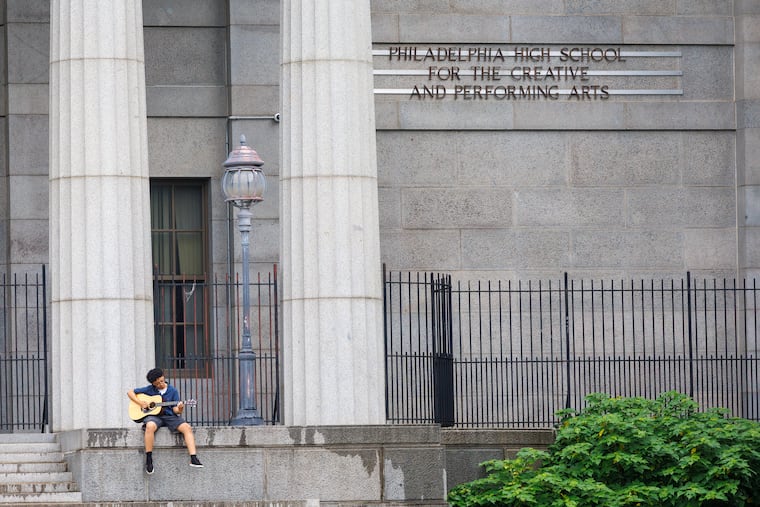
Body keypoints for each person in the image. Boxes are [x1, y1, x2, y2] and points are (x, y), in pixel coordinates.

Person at [127, 368, 203, 474]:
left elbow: (176, 410)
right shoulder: (150, 389)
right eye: (157, 384)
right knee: (149, 426)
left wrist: (180, 408)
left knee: (187, 427)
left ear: (163, 377)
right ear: (153, 384)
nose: (160, 384)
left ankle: (193, 458)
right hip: (154, 416)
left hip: (169, 416)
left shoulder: (172, 391)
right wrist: (140, 403)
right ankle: (149, 458)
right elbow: (130, 393)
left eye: (161, 381)